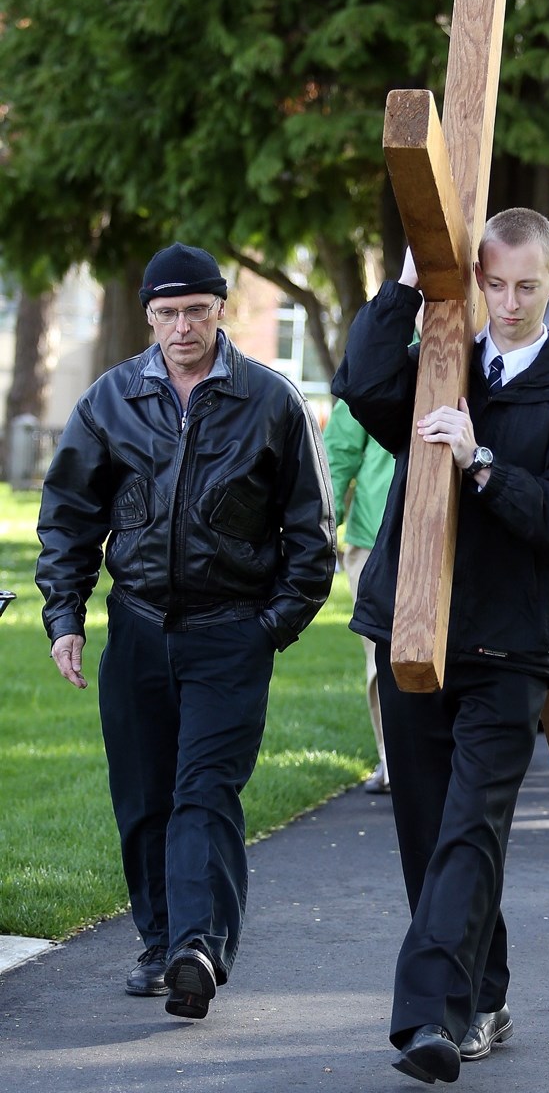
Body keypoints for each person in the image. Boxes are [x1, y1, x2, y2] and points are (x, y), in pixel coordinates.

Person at [331, 209, 549, 1084]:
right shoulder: (443, 365)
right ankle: (484, 991)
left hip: (508, 646)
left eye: (525, 286)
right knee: (431, 835)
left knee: (469, 827)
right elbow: (362, 383)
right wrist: (410, 290)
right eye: (492, 283)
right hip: (414, 628)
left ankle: (429, 1017)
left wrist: (483, 464)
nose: (507, 301)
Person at [36, 242, 336, 1018]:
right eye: (166, 313)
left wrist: (269, 627)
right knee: (142, 797)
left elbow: (311, 537)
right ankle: (159, 939)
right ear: (148, 317)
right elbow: (69, 517)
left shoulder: (270, 402)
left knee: (204, 792)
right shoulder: (108, 401)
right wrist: (65, 616)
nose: (181, 327)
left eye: (195, 311)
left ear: (220, 310)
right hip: (136, 627)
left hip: (230, 630)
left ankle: (197, 948)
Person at [323, 397, 398, 793]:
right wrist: (319, 530)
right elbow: (337, 454)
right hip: (374, 538)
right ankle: (392, 758)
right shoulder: (381, 364)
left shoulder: (478, 358)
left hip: (453, 537)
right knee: (380, 654)